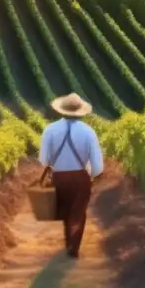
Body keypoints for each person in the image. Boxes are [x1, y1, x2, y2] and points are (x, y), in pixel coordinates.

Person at [38, 93, 104, 258]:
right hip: (80, 178)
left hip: (59, 177)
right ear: (80, 112)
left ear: (61, 111)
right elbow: (97, 162)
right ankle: (74, 245)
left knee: (66, 211)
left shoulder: (50, 130)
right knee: (78, 212)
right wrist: (95, 175)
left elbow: (43, 159)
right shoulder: (88, 132)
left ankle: (69, 243)